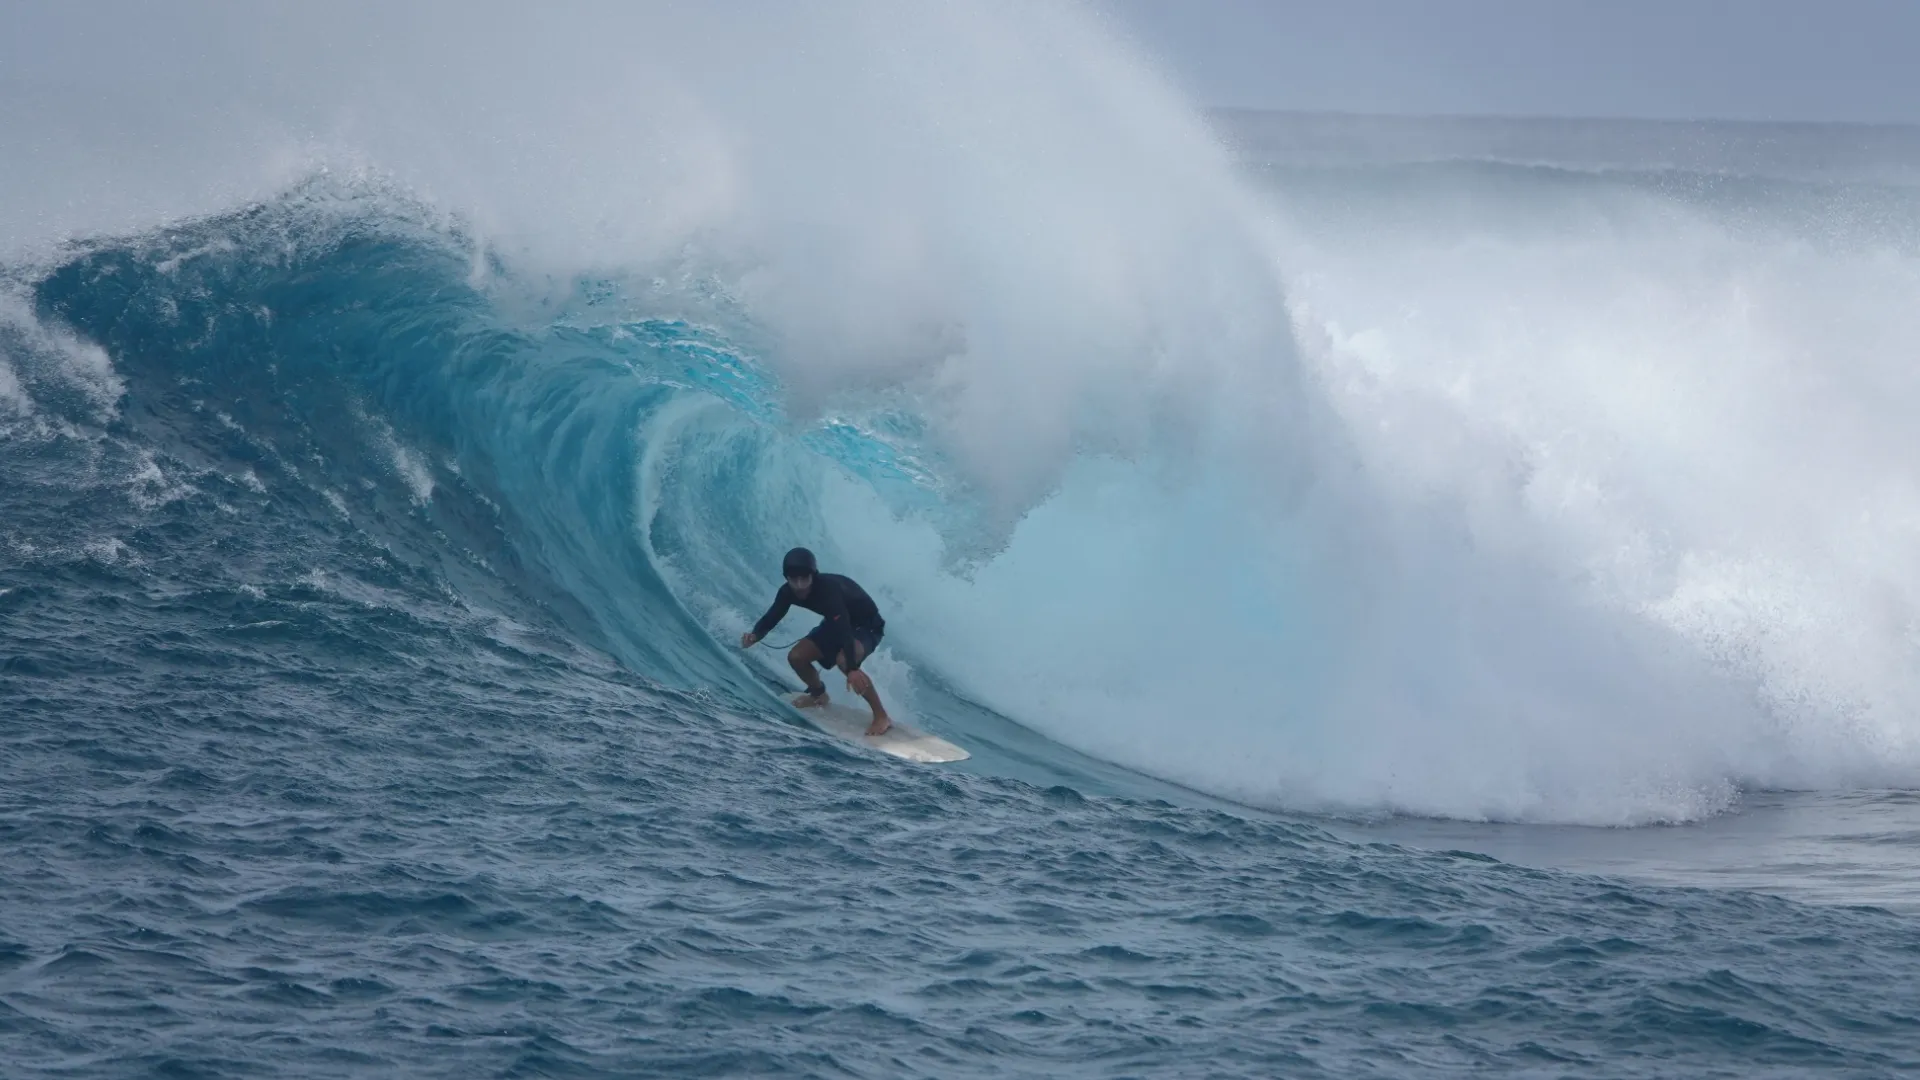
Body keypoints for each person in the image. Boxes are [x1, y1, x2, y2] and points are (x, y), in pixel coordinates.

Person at [740, 547, 893, 735]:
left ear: (813, 575)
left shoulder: (829, 591)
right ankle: (818, 695)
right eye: (793, 580)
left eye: (804, 579)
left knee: (845, 661)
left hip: (867, 626)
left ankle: (881, 716)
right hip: (836, 621)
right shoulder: (787, 592)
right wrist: (755, 635)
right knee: (797, 657)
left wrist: (853, 669)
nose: (799, 586)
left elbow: (845, 631)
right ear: (786, 578)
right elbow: (772, 616)